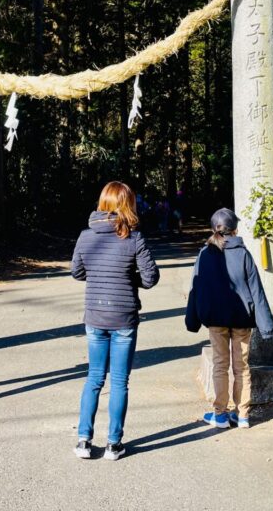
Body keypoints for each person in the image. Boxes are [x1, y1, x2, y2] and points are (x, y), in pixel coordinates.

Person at [71, 181, 160, 461]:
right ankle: (113, 444)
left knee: (94, 378)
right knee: (120, 381)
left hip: (95, 315)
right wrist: (128, 277)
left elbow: (77, 272)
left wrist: (99, 276)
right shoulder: (134, 238)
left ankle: (84, 440)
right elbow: (150, 277)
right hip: (124, 317)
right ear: (127, 204)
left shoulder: (86, 235)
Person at [185, 208, 273, 429]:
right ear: (235, 229)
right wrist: (266, 326)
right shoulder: (243, 253)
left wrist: (193, 319)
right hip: (242, 319)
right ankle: (242, 414)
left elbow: (196, 288)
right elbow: (256, 290)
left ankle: (221, 414)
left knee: (220, 365)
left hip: (216, 319)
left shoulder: (205, 254)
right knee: (241, 366)